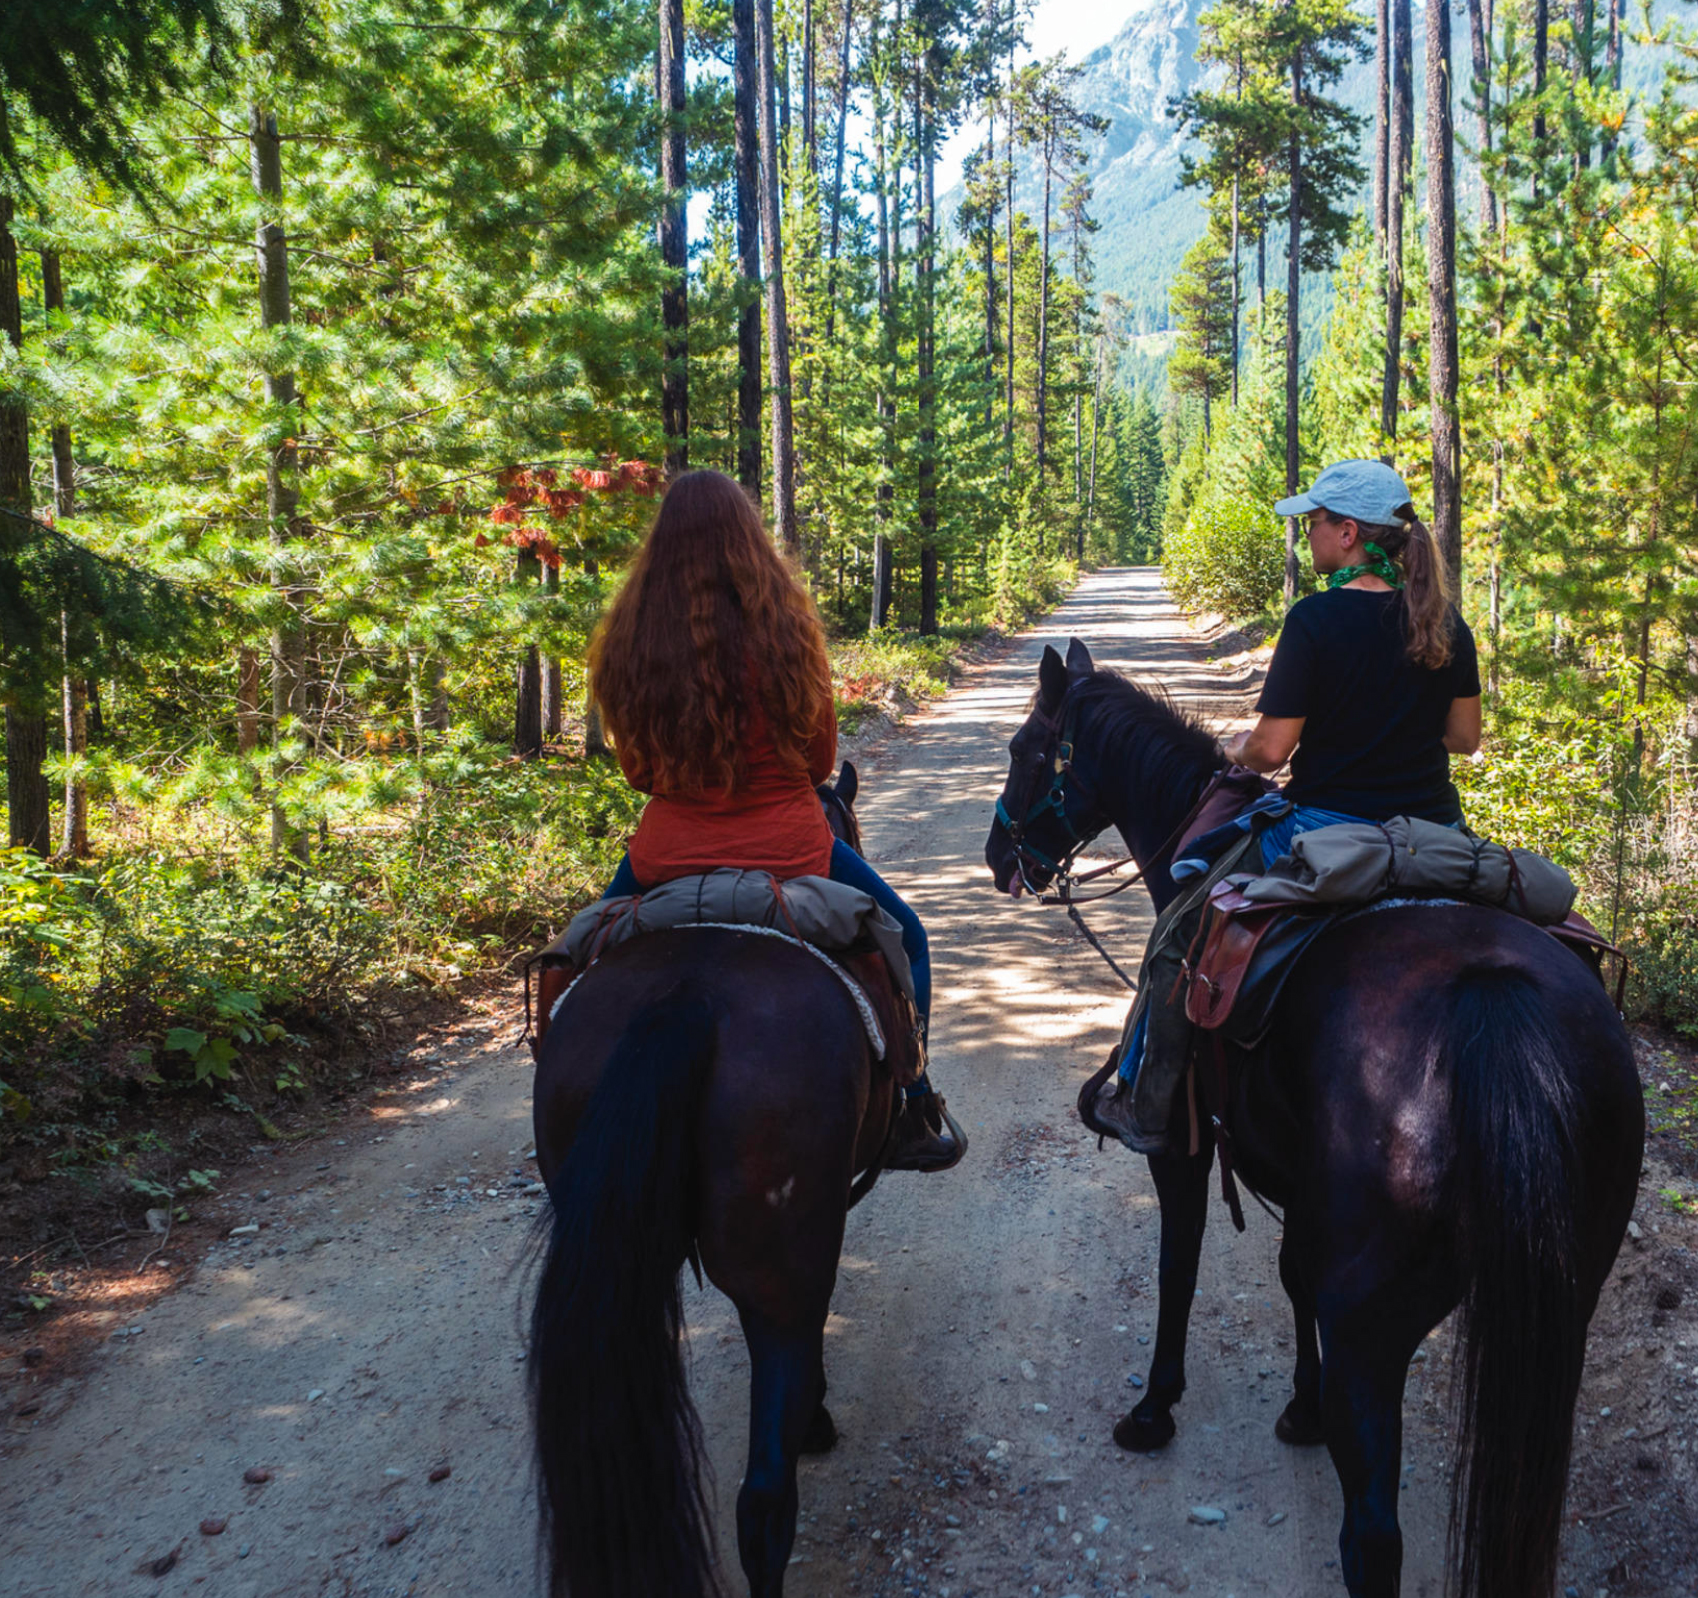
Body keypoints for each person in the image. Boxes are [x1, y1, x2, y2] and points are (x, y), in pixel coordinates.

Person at [586, 468, 963, 1172]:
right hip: (792, 853)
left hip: (665, 857)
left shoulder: (631, 642)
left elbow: (637, 773)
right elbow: (819, 759)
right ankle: (913, 1104)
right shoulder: (788, 627)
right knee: (906, 937)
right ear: (748, 538)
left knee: (576, 967)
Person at [1225, 460, 1482, 861]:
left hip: (1328, 828)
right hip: (1436, 832)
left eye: (1313, 523)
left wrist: (1239, 751)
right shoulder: (1445, 620)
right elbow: (1465, 739)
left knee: (1206, 883)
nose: (1307, 535)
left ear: (1347, 533)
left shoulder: (1312, 619)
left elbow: (1272, 752)